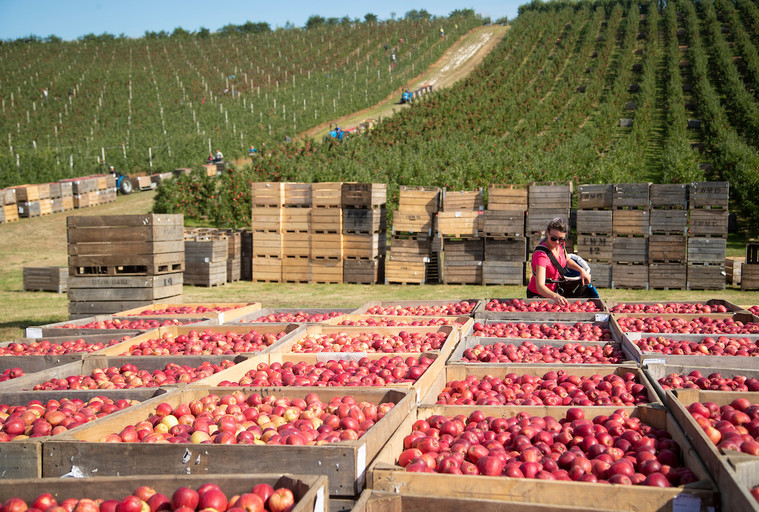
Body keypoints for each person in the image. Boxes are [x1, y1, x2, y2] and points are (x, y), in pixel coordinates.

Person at [527, 217, 596, 305]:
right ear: (547, 232)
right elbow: (540, 286)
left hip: (554, 292)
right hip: (538, 295)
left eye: (561, 239)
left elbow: (567, 260)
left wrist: (581, 270)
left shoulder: (561, 245)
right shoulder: (541, 256)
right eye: (553, 238)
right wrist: (555, 296)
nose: (557, 242)